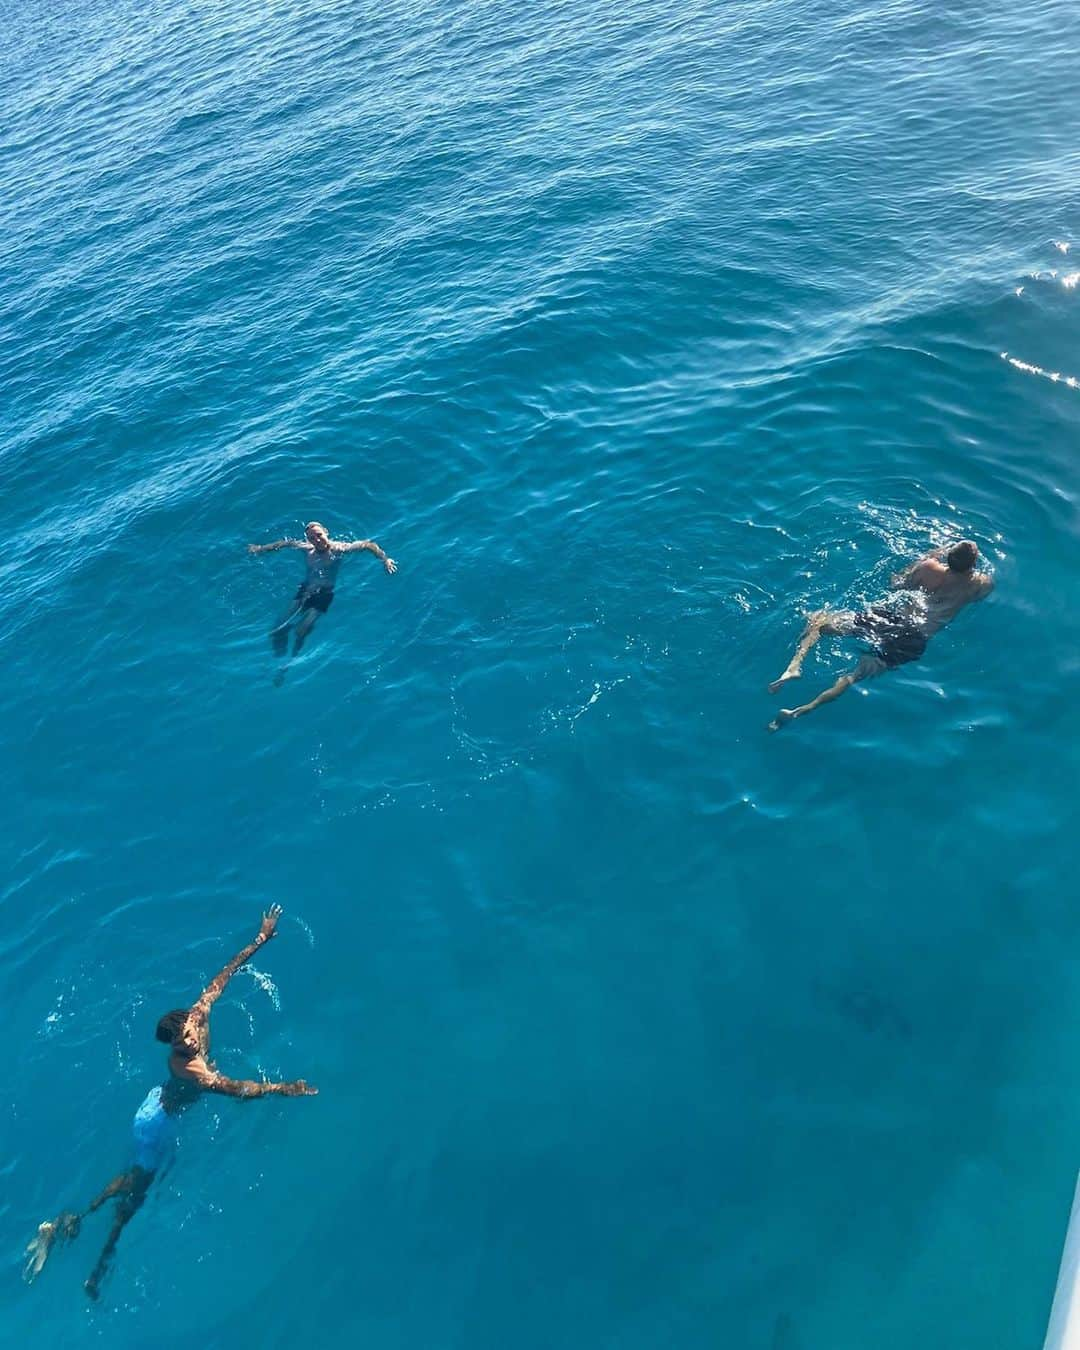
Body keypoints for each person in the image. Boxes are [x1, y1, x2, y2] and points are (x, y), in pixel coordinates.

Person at [23, 906, 316, 1300]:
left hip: (155, 1107)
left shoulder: (199, 1011)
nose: (190, 1042)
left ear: (193, 1020)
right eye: (180, 1044)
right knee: (137, 1194)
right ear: (173, 1047)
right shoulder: (189, 1068)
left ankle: (72, 1220)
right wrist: (284, 1089)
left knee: (133, 1178)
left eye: (190, 1035)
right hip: (157, 1123)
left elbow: (223, 976)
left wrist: (260, 940)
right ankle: (95, 1261)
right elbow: (234, 1089)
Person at [768, 539, 992, 731]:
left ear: (949, 555)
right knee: (856, 673)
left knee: (819, 622)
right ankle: (800, 711)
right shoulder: (979, 584)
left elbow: (896, 584)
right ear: (973, 564)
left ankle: (794, 666)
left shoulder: (927, 568)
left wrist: (929, 556)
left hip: (890, 617)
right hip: (915, 637)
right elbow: (980, 594)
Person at [249, 521, 397, 660]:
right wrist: (261, 549)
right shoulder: (307, 550)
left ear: (326, 532)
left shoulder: (339, 549)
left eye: (319, 535)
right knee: (286, 615)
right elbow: (285, 543)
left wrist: (385, 559)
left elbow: (367, 545)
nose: (317, 540)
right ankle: (280, 640)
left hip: (324, 594)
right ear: (308, 540)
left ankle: (294, 655)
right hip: (305, 589)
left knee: (301, 630)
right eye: (312, 538)